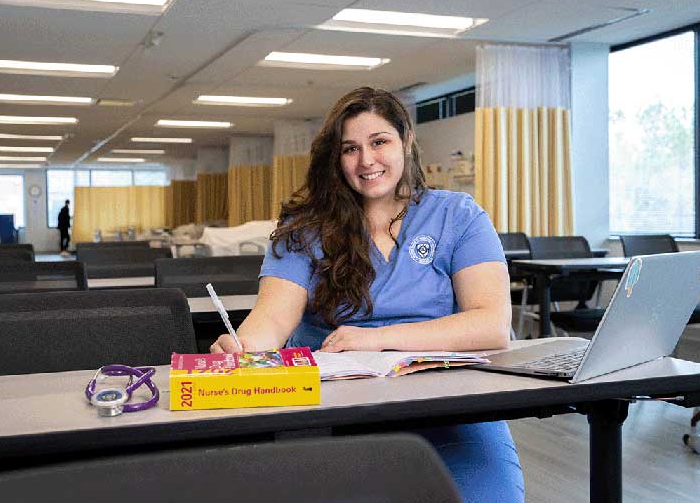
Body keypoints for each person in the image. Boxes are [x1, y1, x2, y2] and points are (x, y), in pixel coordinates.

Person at [211, 87, 524, 501]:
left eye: (379, 142)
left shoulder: (458, 215)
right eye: (350, 148)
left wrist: (374, 339)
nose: (367, 161)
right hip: (336, 411)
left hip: (450, 408)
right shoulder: (305, 230)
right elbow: (271, 320)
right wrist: (243, 347)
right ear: (336, 158)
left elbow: (492, 325)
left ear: (406, 141)